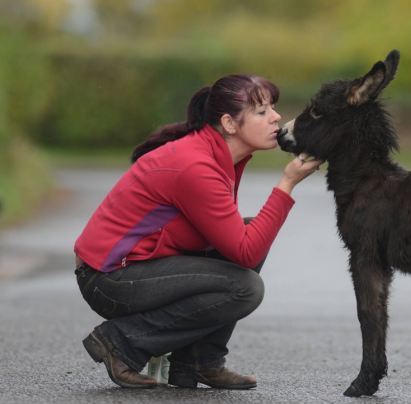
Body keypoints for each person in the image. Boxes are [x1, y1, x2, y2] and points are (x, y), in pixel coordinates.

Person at [74, 74, 321, 390]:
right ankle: (119, 343)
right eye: (262, 112)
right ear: (230, 124)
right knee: (245, 287)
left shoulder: (220, 155)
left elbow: (237, 243)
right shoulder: (196, 166)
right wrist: (287, 183)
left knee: (247, 231)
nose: (275, 117)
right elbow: (246, 253)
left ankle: (197, 363)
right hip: (108, 278)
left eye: (273, 107)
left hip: (137, 268)